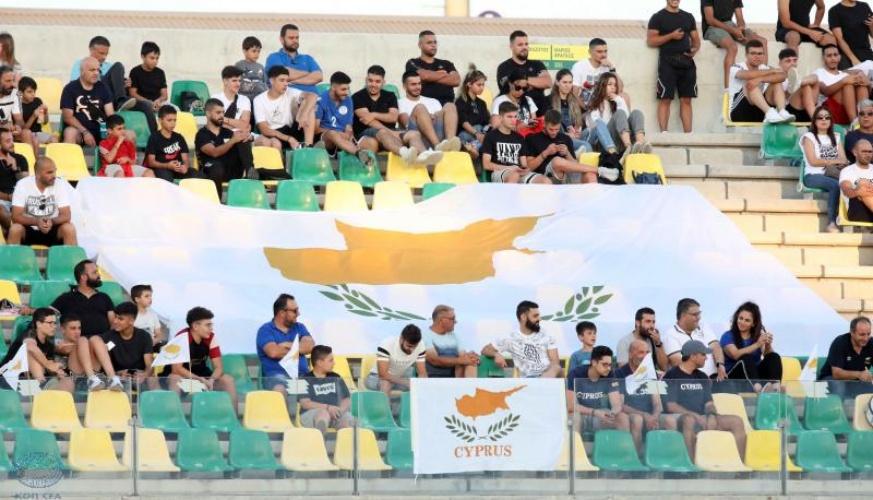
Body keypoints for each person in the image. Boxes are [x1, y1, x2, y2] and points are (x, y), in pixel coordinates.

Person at [664, 340, 746, 460]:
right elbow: (671, 406)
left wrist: (711, 415)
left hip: (702, 417)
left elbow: (709, 402)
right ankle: (690, 464)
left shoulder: (702, 376)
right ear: (693, 356)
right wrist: (696, 416)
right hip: (681, 417)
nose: (706, 358)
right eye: (703, 354)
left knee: (736, 421)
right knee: (689, 420)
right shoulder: (672, 375)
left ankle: (739, 464)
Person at [353, 65, 437, 165]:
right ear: (366, 80)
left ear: (383, 82)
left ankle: (425, 155)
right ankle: (405, 154)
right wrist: (390, 132)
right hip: (366, 133)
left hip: (390, 133)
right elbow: (368, 120)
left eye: (377, 81)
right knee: (383, 132)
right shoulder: (358, 97)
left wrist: (374, 114)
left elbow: (393, 117)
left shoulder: (390, 96)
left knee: (413, 134)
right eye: (370, 81)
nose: (373, 84)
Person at [566, 346, 639, 449]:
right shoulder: (575, 374)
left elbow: (616, 404)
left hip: (600, 414)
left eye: (610, 365)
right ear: (594, 362)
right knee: (574, 417)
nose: (608, 368)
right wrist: (595, 412)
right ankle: (575, 454)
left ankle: (623, 454)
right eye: (604, 364)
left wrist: (612, 413)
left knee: (622, 418)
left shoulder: (610, 374)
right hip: (582, 414)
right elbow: (571, 406)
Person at [169, 307, 237, 409]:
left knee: (227, 380)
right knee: (175, 378)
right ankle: (173, 416)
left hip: (203, 377)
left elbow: (218, 367)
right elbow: (177, 369)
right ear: (195, 326)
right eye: (208, 325)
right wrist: (199, 379)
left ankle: (233, 417)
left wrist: (211, 380)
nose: (211, 328)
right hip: (184, 379)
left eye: (211, 325)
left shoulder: (211, 337)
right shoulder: (181, 337)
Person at [647, 0, 700, 133]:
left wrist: (694, 49)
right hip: (667, 62)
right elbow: (651, 41)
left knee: (686, 99)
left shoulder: (688, 16)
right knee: (665, 98)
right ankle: (664, 134)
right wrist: (671, 36)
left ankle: (688, 135)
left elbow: (696, 39)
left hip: (687, 62)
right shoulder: (658, 17)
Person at [78, 302, 154, 391]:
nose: (115, 321)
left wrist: (145, 374)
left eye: (120, 319)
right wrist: (118, 374)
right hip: (118, 379)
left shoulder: (144, 336)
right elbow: (92, 344)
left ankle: (158, 399)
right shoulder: (109, 336)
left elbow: (149, 364)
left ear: (131, 321)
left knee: (152, 379)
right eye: (115, 317)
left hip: (139, 378)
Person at [481, 300, 561, 378]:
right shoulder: (511, 338)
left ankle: (542, 383)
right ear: (523, 317)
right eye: (535, 316)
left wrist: (545, 377)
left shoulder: (546, 335)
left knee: (556, 368)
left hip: (549, 377)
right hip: (527, 380)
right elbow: (485, 349)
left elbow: (555, 363)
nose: (539, 319)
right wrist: (496, 354)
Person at [800, 105, 848, 233]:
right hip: (813, 175)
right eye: (820, 117)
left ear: (831, 121)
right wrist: (834, 160)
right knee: (835, 185)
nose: (824, 120)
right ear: (814, 121)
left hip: (833, 174)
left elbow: (843, 160)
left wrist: (826, 161)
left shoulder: (836, 137)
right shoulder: (808, 137)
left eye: (827, 117)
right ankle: (831, 223)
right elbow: (813, 161)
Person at [8, 157, 76, 246]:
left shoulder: (59, 184)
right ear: (38, 174)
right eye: (49, 172)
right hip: (29, 228)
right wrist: (36, 222)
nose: (54, 176)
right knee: (15, 229)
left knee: (69, 228)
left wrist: (52, 221)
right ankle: (12, 255)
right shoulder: (22, 185)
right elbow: (15, 216)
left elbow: (66, 215)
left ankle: (71, 256)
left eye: (54, 171)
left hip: (52, 228)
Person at [701, 0, 768, 89]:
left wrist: (740, 28)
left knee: (762, 42)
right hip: (713, 27)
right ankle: (729, 91)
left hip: (731, 25)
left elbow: (740, 18)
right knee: (732, 47)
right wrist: (733, 30)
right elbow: (710, 20)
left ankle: (761, 85)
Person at [0, 308, 72, 391]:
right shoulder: (29, 334)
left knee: (67, 382)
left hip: (28, 384)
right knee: (31, 353)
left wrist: (57, 371)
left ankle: (44, 390)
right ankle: (42, 389)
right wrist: (48, 364)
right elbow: (30, 347)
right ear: (38, 324)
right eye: (50, 323)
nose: (54, 326)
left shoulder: (48, 344)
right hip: (7, 380)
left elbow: (49, 366)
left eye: (55, 323)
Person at [256, 294, 315, 393]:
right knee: (279, 390)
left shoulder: (300, 327)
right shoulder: (266, 330)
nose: (298, 313)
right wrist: (299, 348)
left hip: (301, 377)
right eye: (295, 311)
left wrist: (286, 345)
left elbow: (310, 347)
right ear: (282, 313)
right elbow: (273, 352)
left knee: (321, 389)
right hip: (277, 378)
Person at [614, 339, 676, 433]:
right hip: (631, 414)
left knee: (670, 421)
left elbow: (657, 403)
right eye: (641, 352)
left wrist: (654, 417)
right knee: (638, 420)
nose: (645, 356)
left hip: (651, 415)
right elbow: (620, 405)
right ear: (630, 354)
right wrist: (644, 415)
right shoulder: (619, 374)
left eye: (647, 353)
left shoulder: (651, 372)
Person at [719, 302, 782, 392]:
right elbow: (735, 354)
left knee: (774, 356)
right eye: (740, 318)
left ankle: (776, 388)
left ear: (753, 323)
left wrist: (767, 344)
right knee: (746, 357)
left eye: (747, 320)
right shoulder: (728, 335)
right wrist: (757, 344)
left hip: (756, 375)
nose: (742, 322)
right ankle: (758, 389)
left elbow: (767, 354)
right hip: (735, 377)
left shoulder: (757, 336)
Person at [585, 72, 651, 159]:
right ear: (602, 86)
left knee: (636, 113)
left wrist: (619, 100)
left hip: (619, 141)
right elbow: (596, 126)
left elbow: (626, 119)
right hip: (604, 143)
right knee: (615, 115)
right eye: (610, 84)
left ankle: (640, 145)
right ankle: (628, 147)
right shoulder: (595, 102)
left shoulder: (616, 102)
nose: (613, 87)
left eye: (615, 85)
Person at [196, 98, 255, 193]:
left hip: (231, 170)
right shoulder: (202, 134)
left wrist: (249, 137)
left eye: (223, 113)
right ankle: (217, 201)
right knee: (216, 168)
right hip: (211, 170)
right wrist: (232, 141)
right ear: (208, 113)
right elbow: (214, 153)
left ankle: (250, 170)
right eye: (218, 113)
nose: (222, 116)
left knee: (242, 140)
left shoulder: (228, 132)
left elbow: (242, 138)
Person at [728, 40, 794, 124]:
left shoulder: (764, 68)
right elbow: (746, 75)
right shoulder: (737, 66)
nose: (757, 56)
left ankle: (782, 112)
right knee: (750, 83)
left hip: (760, 111)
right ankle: (769, 112)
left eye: (760, 54)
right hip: (739, 112)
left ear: (763, 55)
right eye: (753, 53)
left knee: (776, 82)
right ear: (746, 55)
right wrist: (771, 71)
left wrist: (760, 79)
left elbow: (782, 76)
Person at [481, 102, 549, 184]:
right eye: (509, 117)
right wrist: (510, 168)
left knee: (545, 181)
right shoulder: (490, 136)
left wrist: (525, 169)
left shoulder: (519, 138)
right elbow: (486, 165)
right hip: (499, 172)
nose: (513, 120)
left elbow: (524, 164)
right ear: (500, 118)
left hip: (518, 172)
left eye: (515, 116)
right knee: (514, 175)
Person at [524, 109, 598, 184]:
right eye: (551, 129)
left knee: (590, 175)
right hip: (547, 177)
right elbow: (529, 167)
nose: (554, 132)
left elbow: (574, 165)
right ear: (545, 124)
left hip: (567, 176)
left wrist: (567, 153)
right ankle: (598, 170)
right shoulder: (532, 138)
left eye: (557, 129)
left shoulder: (565, 138)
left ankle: (595, 173)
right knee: (557, 161)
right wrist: (546, 153)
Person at [663, 298, 728, 381]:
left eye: (699, 313)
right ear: (683, 315)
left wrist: (720, 365)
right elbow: (678, 362)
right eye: (695, 314)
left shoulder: (703, 326)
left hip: (717, 379)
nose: (699, 317)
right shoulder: (670, 335)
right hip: (692, 382)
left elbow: (715, 346)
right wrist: (702, 377)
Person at [253, 65, 317, 150]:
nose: (286, 84)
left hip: (292, 129)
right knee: (274, 142)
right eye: (282, 80)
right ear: (272, 81)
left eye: (287, 81)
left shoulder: (290, 91)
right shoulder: (259, 99)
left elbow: (313, 96)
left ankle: (308, 147)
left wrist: (303, 113)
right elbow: (264, 129)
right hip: (275, 134)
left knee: (309, 108)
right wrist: (288, 138)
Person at [315, 71, 372, 165]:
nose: (347, 92)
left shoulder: (348, 100)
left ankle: (362, 158)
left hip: (342, 139)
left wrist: (348, 134)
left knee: (370, 141)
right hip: (325, 138)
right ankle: (359, 153)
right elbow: (315, 129)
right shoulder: (320, 100)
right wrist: (337, 133)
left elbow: (348, 127)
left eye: (348, 89)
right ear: (333, 87)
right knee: (332, 134)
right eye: (343, 89)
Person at [212, 66, 275, 149]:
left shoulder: (244, 99)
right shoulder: (215, 98)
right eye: (234, 81)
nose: (238, 84)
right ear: (225, 81)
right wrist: (237, 124)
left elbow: (244, 124)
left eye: (239, 81)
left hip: (243, 133)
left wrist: (224, 119)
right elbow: (215, 125)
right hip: (223, 135)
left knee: (268, 142)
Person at [398, 70, 460, 153]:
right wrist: (425, 117)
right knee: (420, 108)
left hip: (437, 133)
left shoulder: (433, 101)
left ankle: (450, 143)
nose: (417, 87)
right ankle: (437, 145)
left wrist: (431, 117)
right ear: (404, 86)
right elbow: (406, 123)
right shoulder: (400, 102)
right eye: (413, 84)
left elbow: (441, 120)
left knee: (450, 105)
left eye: (419, 83)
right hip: (417, 137)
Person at [69, 36, 136, 112]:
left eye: (106, 54)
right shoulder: (80, 64)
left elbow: (114, 86)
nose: (104, 57)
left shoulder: (110, 67)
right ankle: (119, 101)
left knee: (118, 65)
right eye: (101, 53)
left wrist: (122, 84)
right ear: (91, 50)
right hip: (93, 98)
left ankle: (121, 100)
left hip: (111, 99)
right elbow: (75, 86)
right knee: (101, 76)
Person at [52, 259, 114, 339]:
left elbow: (113, 323)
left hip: (103, 341)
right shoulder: (66, 298)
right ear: (83, 277)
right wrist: (59, 338)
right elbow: (48, 315)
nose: (98, 275)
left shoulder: (104, 297)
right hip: (77, 342)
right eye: (94, 272)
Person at [61, 57, 115, 146]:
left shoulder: (103, 87)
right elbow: (68, 117)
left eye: (98, 70)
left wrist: (112, 130)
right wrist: (85, 132)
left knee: (129, 134)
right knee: (70, 132)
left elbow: (110, 114)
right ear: (82, 71)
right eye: (92, 70)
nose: (96, 73)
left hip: (101, 130)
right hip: (80, 131)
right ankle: (70, 156)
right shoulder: (70, 88)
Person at [300, 345, 354, 433]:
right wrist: (328, 408)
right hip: (311, 414)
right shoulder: (302, 379)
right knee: (323, 414)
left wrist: (339, 411)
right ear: (319, 362)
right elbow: (305, 404)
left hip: (335, 413)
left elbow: (346, 399)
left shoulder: (336, 377)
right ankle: (320, 438)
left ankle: (345, 439)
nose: (334, 363)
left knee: (347, 420)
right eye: (330, 360)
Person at [496, 30, 551, 114]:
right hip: (516, 115)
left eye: (526, 44)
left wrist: (524, 79)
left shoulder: (537, 64)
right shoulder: (504, 67)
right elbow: (510, 89)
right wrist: (536, 83)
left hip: (541, 114)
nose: (524, 47)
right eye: (520, 45)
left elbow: (548, 82)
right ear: (511, 46)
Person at [818, 316, 873, 396]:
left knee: (870, 389)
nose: (866, 338)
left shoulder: (871, 343)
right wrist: (859, 374)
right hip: (830, 379)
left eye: (868, 334)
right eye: (862, 334)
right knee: (839, 386)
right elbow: (837, 374)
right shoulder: (840, 342)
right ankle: (838, 404)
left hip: (856, 381)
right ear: (852, 333)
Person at [365, 324, 428, 393]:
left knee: (418, 385)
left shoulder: (421, 345)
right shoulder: (387, 344)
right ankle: (384, 400)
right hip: (375, 377)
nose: (412, 350)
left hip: (399, 378)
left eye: (415, 347)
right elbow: (383, 375)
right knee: (386, 383)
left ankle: (397, 399)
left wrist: (422, 385)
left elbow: (422, 374)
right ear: (401, 339)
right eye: (409, 346)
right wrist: (406, 383)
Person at [815, 45, 869, 125]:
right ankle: (854, 123)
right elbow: (825, 91)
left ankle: (864, 119)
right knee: (847, 85)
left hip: (851, 108)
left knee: (861, 85)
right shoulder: (819, 72)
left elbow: (867, 92)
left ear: (839, 57)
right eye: (829, 56)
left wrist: (867, 82)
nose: (833, 58)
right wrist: (843, 81)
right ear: (823, 58)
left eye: (835, 55)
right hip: (831, 109)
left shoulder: (844, 74)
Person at [264, 23, 323, 94]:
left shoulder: (307, 58)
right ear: (282, 39)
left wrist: (294, 81)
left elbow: (319, 76)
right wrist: (309, 73)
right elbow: (283, 74)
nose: (295, 40)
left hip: (313, 98)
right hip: (287, 98)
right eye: (291, 38)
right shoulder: (274, 57)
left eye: (297, 38)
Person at [405, 30, 460, 106]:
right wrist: (443, 74)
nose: (433, 45)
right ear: (420, 45)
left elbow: (456, 80)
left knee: (451, 107)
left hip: (446, 105)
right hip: (423, 105)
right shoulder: (413, 62)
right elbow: (424, 76)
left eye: (435, 42)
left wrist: (430, 76)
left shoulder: (446, 63)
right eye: (429, 43)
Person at [423, 304, 478, 378]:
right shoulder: (425, 336)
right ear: (442, 320)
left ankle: (467, 384)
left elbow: (463, 356)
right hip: (433, 379)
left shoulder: (455, 336)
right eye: (452, 318)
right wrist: (461, 360)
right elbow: (434, 360)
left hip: (454, 378)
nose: (455, 321)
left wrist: (470, 357)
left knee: (471, 362)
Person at [547, 69, 590, 155]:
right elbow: (549, 125)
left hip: (576, 136)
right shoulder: (549, 100)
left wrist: (578, 129)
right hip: (561, 138)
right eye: (564, 82)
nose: (568, 86)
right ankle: (577, 156)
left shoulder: (575, 100)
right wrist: (566, 134)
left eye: (570, 82)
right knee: (586, 145)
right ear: (557, 82)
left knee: (591, 129)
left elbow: (582, 119)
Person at [146, 105, 194, 182]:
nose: (173, 123)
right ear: (160, 120)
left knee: (198, 176)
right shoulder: (154, 138)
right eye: (169, 120)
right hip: (162, 169)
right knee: (166, 178)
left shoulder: (179, 137)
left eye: (174, 120)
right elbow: (151, 162)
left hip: (178, 168)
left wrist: (185, 166)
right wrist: (167, 166)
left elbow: (185, 159)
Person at [127, 41, 166, 132]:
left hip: (157, 104)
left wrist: (159, 101)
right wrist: (148, 102)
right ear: (143, 56)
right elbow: (132, 94)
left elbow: (164, 95)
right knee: (147, 106)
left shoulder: (160, 72)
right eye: (152, 58)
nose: (155, 61)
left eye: (157, 58)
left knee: (173, 109)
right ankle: (154, 134)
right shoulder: (135, 71)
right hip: (141, 103)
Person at [616, 307, 669, 372]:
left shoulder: (653, 340)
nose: (652, 326)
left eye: (653, 322)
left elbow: (664, 368)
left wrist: (658, 343)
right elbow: (624, 371)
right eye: (648, 321)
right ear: (637, 323)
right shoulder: (625, 342)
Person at [490, 70, 540, 136]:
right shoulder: (500, 101)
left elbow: (534, 121)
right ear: (510, 84)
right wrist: (518, 127)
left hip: (527, 137)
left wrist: (532, 123)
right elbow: (495, 125)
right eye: (518, 87)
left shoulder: (528, 100)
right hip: (508, 138)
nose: (521, 91)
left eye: (524, 88)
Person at [454, 68, 490, 158]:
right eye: (479, 85)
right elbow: (463, 122)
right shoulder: (460, 101)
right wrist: (476, 133)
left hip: (480, 132)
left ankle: (473, 148)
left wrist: (485, 133)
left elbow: (486, 122)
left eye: (483, 85)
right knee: (463, 136)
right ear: (469, 84)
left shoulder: (482, 103)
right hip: (467, 133)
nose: (482, 88)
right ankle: (472, 148)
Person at [778, 48, 820, 123]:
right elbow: (779, 100)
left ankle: (798, 82)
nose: (792, 63)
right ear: (780, 63)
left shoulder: (802, 78)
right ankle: (816, 120)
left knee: (815, 78)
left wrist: (799, 83)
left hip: (805, 109)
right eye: (788, 61)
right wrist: (790, 90)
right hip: (788, 110)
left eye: (794, 60)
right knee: (805, 87)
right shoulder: (777, 78)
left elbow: (815, 78)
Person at [829, 0, 873, 70]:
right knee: (856, 75)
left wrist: (871, 26)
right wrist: (854, 60)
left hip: (866, 51)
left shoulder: (864, 6)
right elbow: (840, 39)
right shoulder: (834, 11)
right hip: (846, 54)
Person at [571, 38, 618, 104]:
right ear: (590, 52)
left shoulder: (608, 67)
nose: (604, 55)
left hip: (602, 101)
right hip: (584, 102)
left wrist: (612, 68)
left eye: (605, 51)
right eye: (599, 52)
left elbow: (619, 89)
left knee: (624, 96)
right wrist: (585, 108)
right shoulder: (579, 66)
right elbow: (574, 93)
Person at [18, 76, 55, 155]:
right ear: (21, 92)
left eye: (34, 91)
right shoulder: (18, 106)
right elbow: (23, 130)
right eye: (29, 92)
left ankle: (49, 161)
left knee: (55, 140)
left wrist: (45, 113)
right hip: (25, 135)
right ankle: (34, 160)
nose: (33, 94)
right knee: (34, 140)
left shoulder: (37, 101)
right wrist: (33, 116)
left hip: (37, 133)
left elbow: (43, 122)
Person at [840, 138, 873, 224]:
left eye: (870, 152)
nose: (868, 155)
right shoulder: (847, 171)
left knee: (863, 185)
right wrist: (858, 192)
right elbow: (847, 192)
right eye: (864, 151)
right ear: (855, 152)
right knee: (862, 184)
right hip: (857, 210)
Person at [0, 129, 27, 234]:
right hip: (2, 199)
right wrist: (8, 197)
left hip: (19, 198)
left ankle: (12, 232)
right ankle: (16, 232)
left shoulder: (20, 158)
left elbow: (26, 183)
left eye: (12, 140)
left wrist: (16, 169)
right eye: (8, 141)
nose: (12, 144)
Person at [0, 66, 32, 149]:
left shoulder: (15, 93)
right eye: (8, 81)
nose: (12, 85)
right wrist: (5, 126)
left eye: (13, 80)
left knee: (26, 133)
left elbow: (19, 120)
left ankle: (28, 157)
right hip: (4, 129)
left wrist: (18, 127)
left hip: (6, 131)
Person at [236, 36, 268, 104]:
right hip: (243, 101)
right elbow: (236, 84)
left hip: (259, 101)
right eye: (254, 51)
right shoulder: (239, 66)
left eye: (258, 51)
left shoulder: (261, 67)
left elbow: (265, 84)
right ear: (245, 51)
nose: (257, 54)